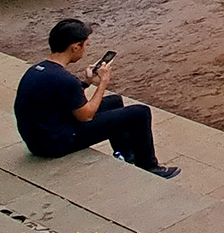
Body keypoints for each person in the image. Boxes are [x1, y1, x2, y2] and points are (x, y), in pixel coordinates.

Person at [12, 19, 180, 178]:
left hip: (38, 139)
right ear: (75, 47)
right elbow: (86, 116)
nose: (85, 49)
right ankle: (149, 165)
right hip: (55, 144)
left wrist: (86, 82)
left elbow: (61, 96)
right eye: (85, 45)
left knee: (114, 101)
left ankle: (126, 154)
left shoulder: (37, 69)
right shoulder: (64, 79)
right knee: (140, 113)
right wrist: (103, 83)